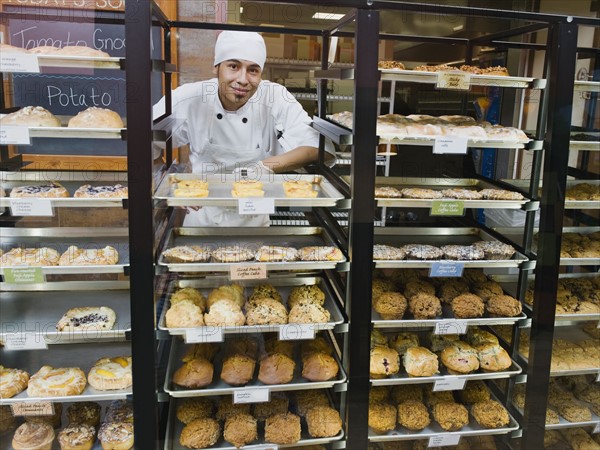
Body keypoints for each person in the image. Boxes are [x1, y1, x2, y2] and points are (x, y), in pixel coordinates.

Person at [154, 30, 334, 226]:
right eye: (233, 66)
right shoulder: (189, 98)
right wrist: (166, 184)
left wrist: (264, 167)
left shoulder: (275, 97)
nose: (242, 79)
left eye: (253, 70)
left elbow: (319, 147)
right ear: (216, 67)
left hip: (255, 219)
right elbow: (143, 142)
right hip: (203, 220)